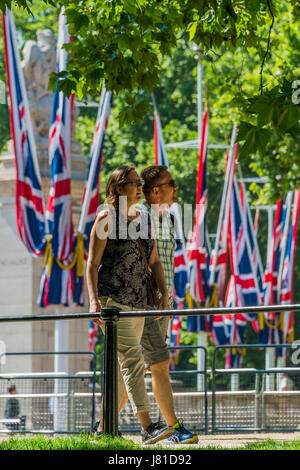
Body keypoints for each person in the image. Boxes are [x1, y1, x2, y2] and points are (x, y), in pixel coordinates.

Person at [86, 164, 174, 445]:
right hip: (113, 303)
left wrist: (163, 294)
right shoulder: (106, 218)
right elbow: (92, 264)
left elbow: (155, 261)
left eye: (139, 182)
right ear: (117, 187)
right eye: (134, 182)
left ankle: (103, 429)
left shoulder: (144, 219)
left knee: (126, 367)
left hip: (139, 304)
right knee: (134, 361)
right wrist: (93, 302)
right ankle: (148, 427)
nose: (140, 186)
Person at [119, 165, 198, 444]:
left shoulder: (170, 220)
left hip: (162, 305)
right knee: (153, 364)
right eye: (171, 184)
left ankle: (102, 426)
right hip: (146, 306)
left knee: (134, 367)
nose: (176, 188)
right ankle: (173, 428)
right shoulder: (139, 217)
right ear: (155, 190)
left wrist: (167, 298)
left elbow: (166, 264)